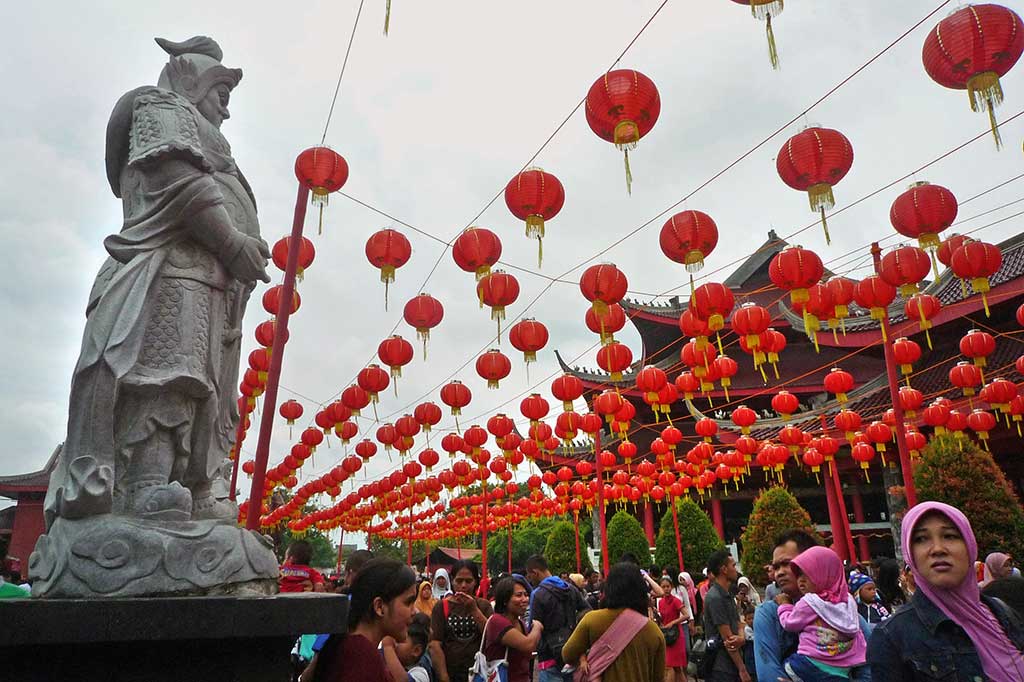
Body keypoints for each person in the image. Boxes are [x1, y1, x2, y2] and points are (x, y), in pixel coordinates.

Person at [866, 501, 1024, 681]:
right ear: (911, 555)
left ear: (970, 546)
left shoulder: (1001, 611)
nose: (938, 549)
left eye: (949, 536)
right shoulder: (892, 637)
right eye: (921, 539)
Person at [753, 529, 873, 682]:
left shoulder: (846, 614)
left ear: (813, 564)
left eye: (787, 564)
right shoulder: (768, 613)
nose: (779, 573)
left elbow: (869, 669)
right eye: (776, 567)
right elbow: (768, 675)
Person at [309, 558, 418, 682]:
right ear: (379, 607)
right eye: (408, 602)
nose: (414, 611)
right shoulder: (362, 657)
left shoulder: (348, 645)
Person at [562, 562, 666, 682]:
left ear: (609, 588)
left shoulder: (592, 620)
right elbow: (658, 677)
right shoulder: (653, 631)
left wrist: (585, 657)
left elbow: (567, 655)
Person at [775, 545, 867, 680]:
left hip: (808, 665)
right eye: (799, 574)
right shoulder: (848, 602)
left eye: (807, 573)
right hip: (843, 669)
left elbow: (790, 624)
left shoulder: (810, 602)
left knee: (785, 666)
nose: (801, 579)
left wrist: (784, 605)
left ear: (823, 574)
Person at [525, 554, 591, 682]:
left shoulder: (537, 594)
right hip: (572, 655)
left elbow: (534, 626)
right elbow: (587, 611)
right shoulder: (570, 589)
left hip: (549, 659)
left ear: (535, 572)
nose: (530, 580)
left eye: (529, 576)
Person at [429, 559, 493, 682]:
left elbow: (491, 636)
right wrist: (443, 676)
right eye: (459, 581)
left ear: (476, 582)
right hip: (451, 674)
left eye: (468, 581)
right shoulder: (441, 607)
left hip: (479, 674)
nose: (463, 585)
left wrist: (474, 610)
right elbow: (435, 644)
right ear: (452, 581)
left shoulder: (484, 606)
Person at [479, 575, 543, 682]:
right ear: (505, 599)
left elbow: (527, 654)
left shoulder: (520, 622)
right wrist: (537, 627)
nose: (524, 599)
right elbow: (529, 645)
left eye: (526, 595)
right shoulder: (497, 622)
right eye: (518, 595)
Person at [704, 549, 750, 682]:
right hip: (722, 667)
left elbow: (739, 624)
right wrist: (742, 669)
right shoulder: (715, 598)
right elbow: (729, 639)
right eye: (733, 565)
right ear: (724, 569)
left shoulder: (727, 594)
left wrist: (741, 638)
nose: (735, 569)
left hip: (731, 664)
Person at [384, 613, 435, 682]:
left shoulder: (420, 674)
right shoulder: (385, 657)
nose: (394, 644)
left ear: (416, 650)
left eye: (399, 641)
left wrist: (388, 648)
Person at [658, 575, 689, 682]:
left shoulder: (676, 601)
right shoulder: (660, 602)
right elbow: (662, 619)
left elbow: (686, 615)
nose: (666, 589)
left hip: (676, 635)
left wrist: (673, 622)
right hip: (667, 636)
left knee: (672, 666)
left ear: (671, 587)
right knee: (675, 668)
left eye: (668, 586)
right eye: (663, 587)